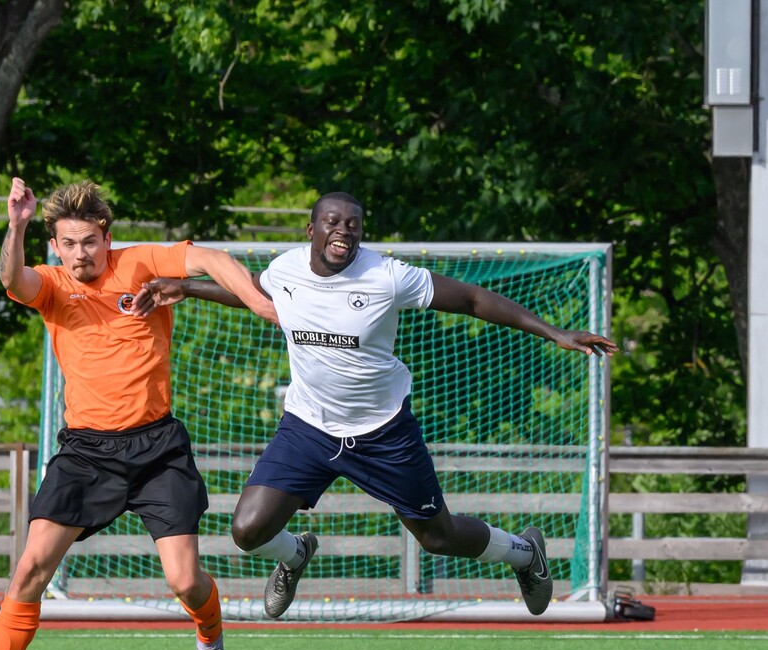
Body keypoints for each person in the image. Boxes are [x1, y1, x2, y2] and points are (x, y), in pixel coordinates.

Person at [133, 191, 618, 620]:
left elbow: (472, 299)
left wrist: (554, 332)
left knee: (439, 538)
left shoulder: (387, 276)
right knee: (248, 530)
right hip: (308, 428)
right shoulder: (286, 269)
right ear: (311, 230)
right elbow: (252, 293)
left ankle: (523, 552)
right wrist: (188, 287)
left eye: (353, 224)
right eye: (332, 221)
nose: (343, 230)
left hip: (382, 432)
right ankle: (296, 555)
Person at [0, 177, 277, 650]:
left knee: (184, 581)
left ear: (106, 236)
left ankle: (209, 634)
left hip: (157, 449)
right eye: (68, 244)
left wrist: (258, 302)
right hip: (86, 454)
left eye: (89, 242)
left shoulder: (140, 263)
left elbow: (210, 258)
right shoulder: (51, 284)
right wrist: (15, 225)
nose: (80, 254)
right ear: (55, 246)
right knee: (29, 571)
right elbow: (11, 280)